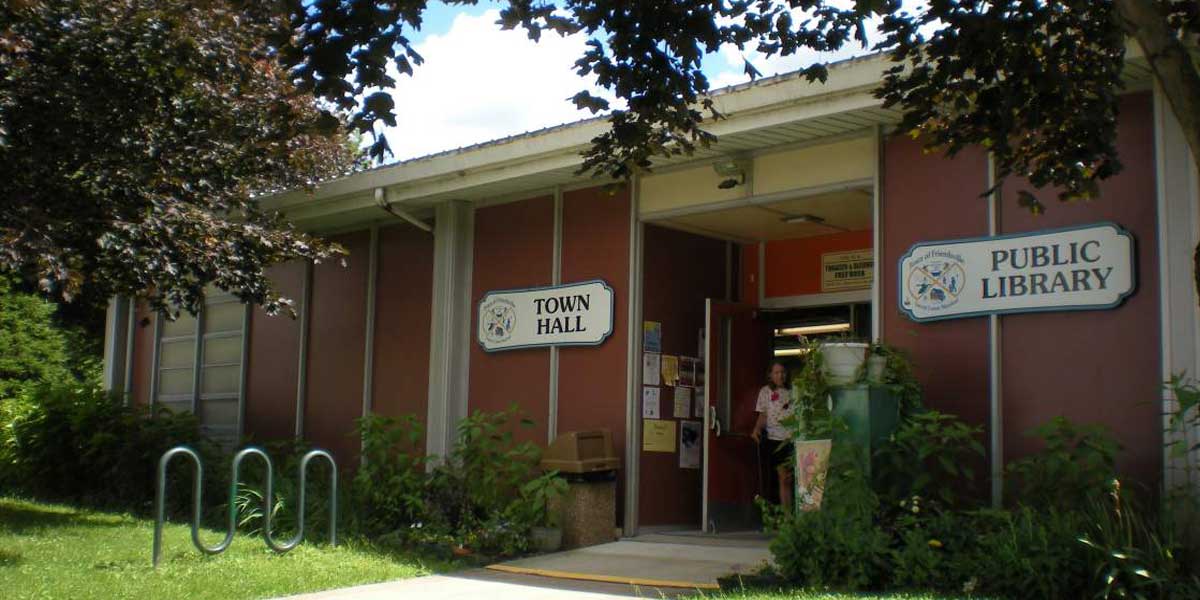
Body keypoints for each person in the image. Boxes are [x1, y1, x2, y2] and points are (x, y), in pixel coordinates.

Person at [750, 361, 794, 510]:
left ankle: (792, 513)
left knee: (790, 478)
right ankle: (787, 515)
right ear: (770, 375)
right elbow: (763, 414)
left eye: (783, 372)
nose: (780, 375)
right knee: (784, 477)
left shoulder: (793, 391)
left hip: (792, 439)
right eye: (776, 372)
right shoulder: (766, 391)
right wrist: (756, 429)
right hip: (776, 439)